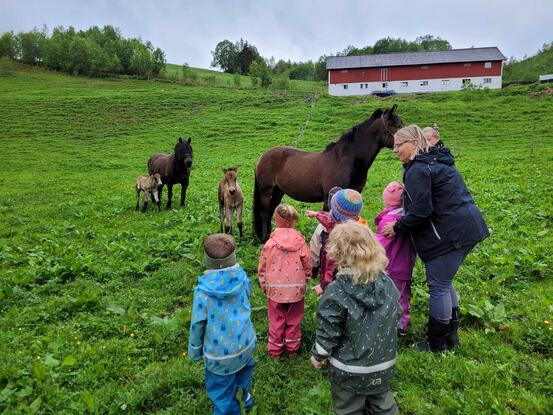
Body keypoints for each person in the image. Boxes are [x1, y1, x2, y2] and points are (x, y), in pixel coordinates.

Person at [383, 125, 489, 352]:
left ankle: (437, 345)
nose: (394, 150)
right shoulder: (434, 161)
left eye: (398, 145)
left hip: (451, 234)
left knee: (438, 285)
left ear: (413, 143)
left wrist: (398, 227)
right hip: (467, 227)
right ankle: (451, 337)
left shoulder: (419, 170)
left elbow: (421, 211)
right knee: (445, 282)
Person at [310, 221, 402, 415]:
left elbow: (329, 329)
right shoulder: (388, 285)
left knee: (348, 408)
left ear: (336, 253)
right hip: (382, 365)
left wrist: (319, 354)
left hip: (349, 370)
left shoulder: (337, 291)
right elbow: (398, 315)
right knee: (382, 402)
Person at [188, 233, 256, 414]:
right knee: (244, 380)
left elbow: (197, 324)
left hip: (219, 356)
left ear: (206, 260)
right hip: (245, 345)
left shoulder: (203, 292)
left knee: (221, 393)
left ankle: (229, 410)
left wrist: (195, 351)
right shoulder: (243, 280)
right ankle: (246, 403)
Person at [258, 204, 312, 358]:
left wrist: (264, 283)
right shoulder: (300, 242)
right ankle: (292, 349)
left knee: (276, 318)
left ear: (276, 220)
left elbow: (262, 265)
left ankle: (275, 351)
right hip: (296, 288)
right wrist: (306, 278)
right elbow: (307, 262)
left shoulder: (270, 243)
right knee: (294, 319)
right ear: (293, 221)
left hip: (275, 288)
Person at [375, 181, 416, 335]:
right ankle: (403, 323)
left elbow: (380, 244)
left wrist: (368, 238)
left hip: (392, 265)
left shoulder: (389, 221)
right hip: (406, 264)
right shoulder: (408, 218)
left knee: (391, 295)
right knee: (403, 295)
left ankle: (394, 325)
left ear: (388, 201)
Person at [306, 188, 363, 295]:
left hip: (330, 279)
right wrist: (317, 214)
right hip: (355, 281)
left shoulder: (323, 229)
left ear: (333, 208)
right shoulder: (361, 231)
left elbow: (314, 252)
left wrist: (313, 271)